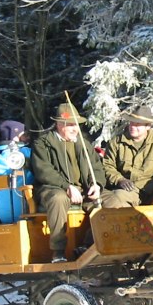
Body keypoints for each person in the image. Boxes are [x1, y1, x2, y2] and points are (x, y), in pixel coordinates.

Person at [31, 102, 112, 263]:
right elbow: (44, 171)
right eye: (70, 125)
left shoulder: (84, 143)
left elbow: (96, 168)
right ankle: (58, 251)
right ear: (59, 124)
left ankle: (89, 245)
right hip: (52, 189)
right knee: (59, 198)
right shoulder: (43, 144)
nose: (75, 129)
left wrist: (96, 184)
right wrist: (67, 187)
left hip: (83, 191)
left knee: (114, 199)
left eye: (76, 125)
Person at [103, 106, 153, 207]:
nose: (133, 127)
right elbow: (107, 166)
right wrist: (119, 180)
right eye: (131, 123)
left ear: (148, 126)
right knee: (116, 198)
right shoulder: (116, 143)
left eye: (137, 124)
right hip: (129, 189)